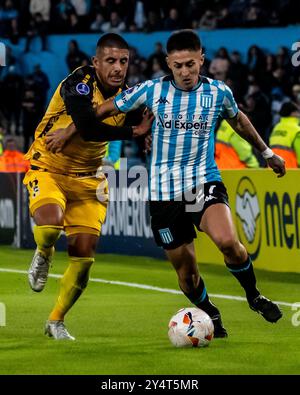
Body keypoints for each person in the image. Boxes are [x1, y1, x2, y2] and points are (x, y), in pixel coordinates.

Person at [52, 30, 286, 337]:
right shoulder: (150, 90)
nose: (186, 72)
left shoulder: (218, 92)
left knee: (227, 241)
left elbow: (238, 119)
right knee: (187, 276)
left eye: (191, 64)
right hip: (164, 194)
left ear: (202, 59)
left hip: (202, 183)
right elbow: (101, 110)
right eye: (178, 66)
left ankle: (253, 295)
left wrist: (267, 153)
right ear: (168, 63)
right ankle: (211, 313)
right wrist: (69, 132)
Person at [23, 33, 152, 340]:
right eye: (110, 61)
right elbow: (90, 127)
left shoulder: (130, 96)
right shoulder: (79, 83)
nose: (118, 67)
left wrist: (147, 134)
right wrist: (135, 131)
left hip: (89, 178)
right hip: (49, 166)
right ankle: (44, 253)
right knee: (51, 227)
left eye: (123, 61)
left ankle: (55, 321)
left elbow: (144, 122)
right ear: (96, 63)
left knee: (84, 260)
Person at [269, 101, 300, 168]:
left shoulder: (276, 128)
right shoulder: (297, 130)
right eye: (297, 112)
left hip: (273, 169)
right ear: (293, 113)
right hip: (290, 170)